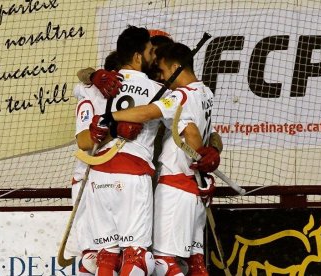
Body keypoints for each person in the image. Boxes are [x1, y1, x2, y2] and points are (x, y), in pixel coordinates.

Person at [95, 42, 221, 275]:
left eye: (163, 71)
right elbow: (209, 134)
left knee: (163, 263)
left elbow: (150, 113)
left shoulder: (180, 96)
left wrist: (109, 117)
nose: (162, 78)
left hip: (175, 185)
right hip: (196, 190)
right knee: (196, 264)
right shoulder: (206, 93)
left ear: (175, 66)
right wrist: (207, 164)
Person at [87, 25, 166, 276]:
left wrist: (92, 76)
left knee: (107, 257)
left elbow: (82, 81)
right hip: (132, 175)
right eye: (150, 51)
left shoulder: (99, 87)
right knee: (138, 258)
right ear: (137, 57)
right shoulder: (157, 90)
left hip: (98, 175)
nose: (153, 57)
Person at [72, 51, 138, 275]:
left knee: (123, 256)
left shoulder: (139, 92)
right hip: (88, 179)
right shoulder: (90, 95)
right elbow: (83, 141)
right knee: (92, 259)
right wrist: (92, 76)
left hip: (121, 179)